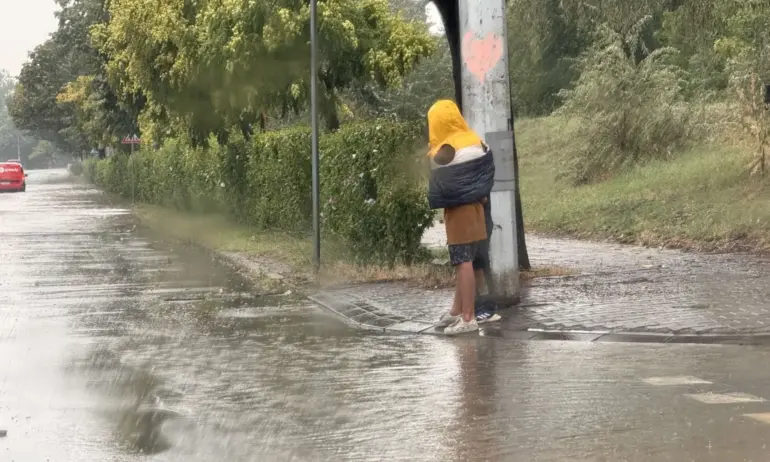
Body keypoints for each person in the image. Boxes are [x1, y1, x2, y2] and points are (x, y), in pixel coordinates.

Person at [426, 100, 496, 335]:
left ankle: (468, 318)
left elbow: (435, 171)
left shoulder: (447, 149)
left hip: (460, 213)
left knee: (462, 262)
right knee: (468, 260)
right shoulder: (476, 140)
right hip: (478, 208)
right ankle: (457, 310)